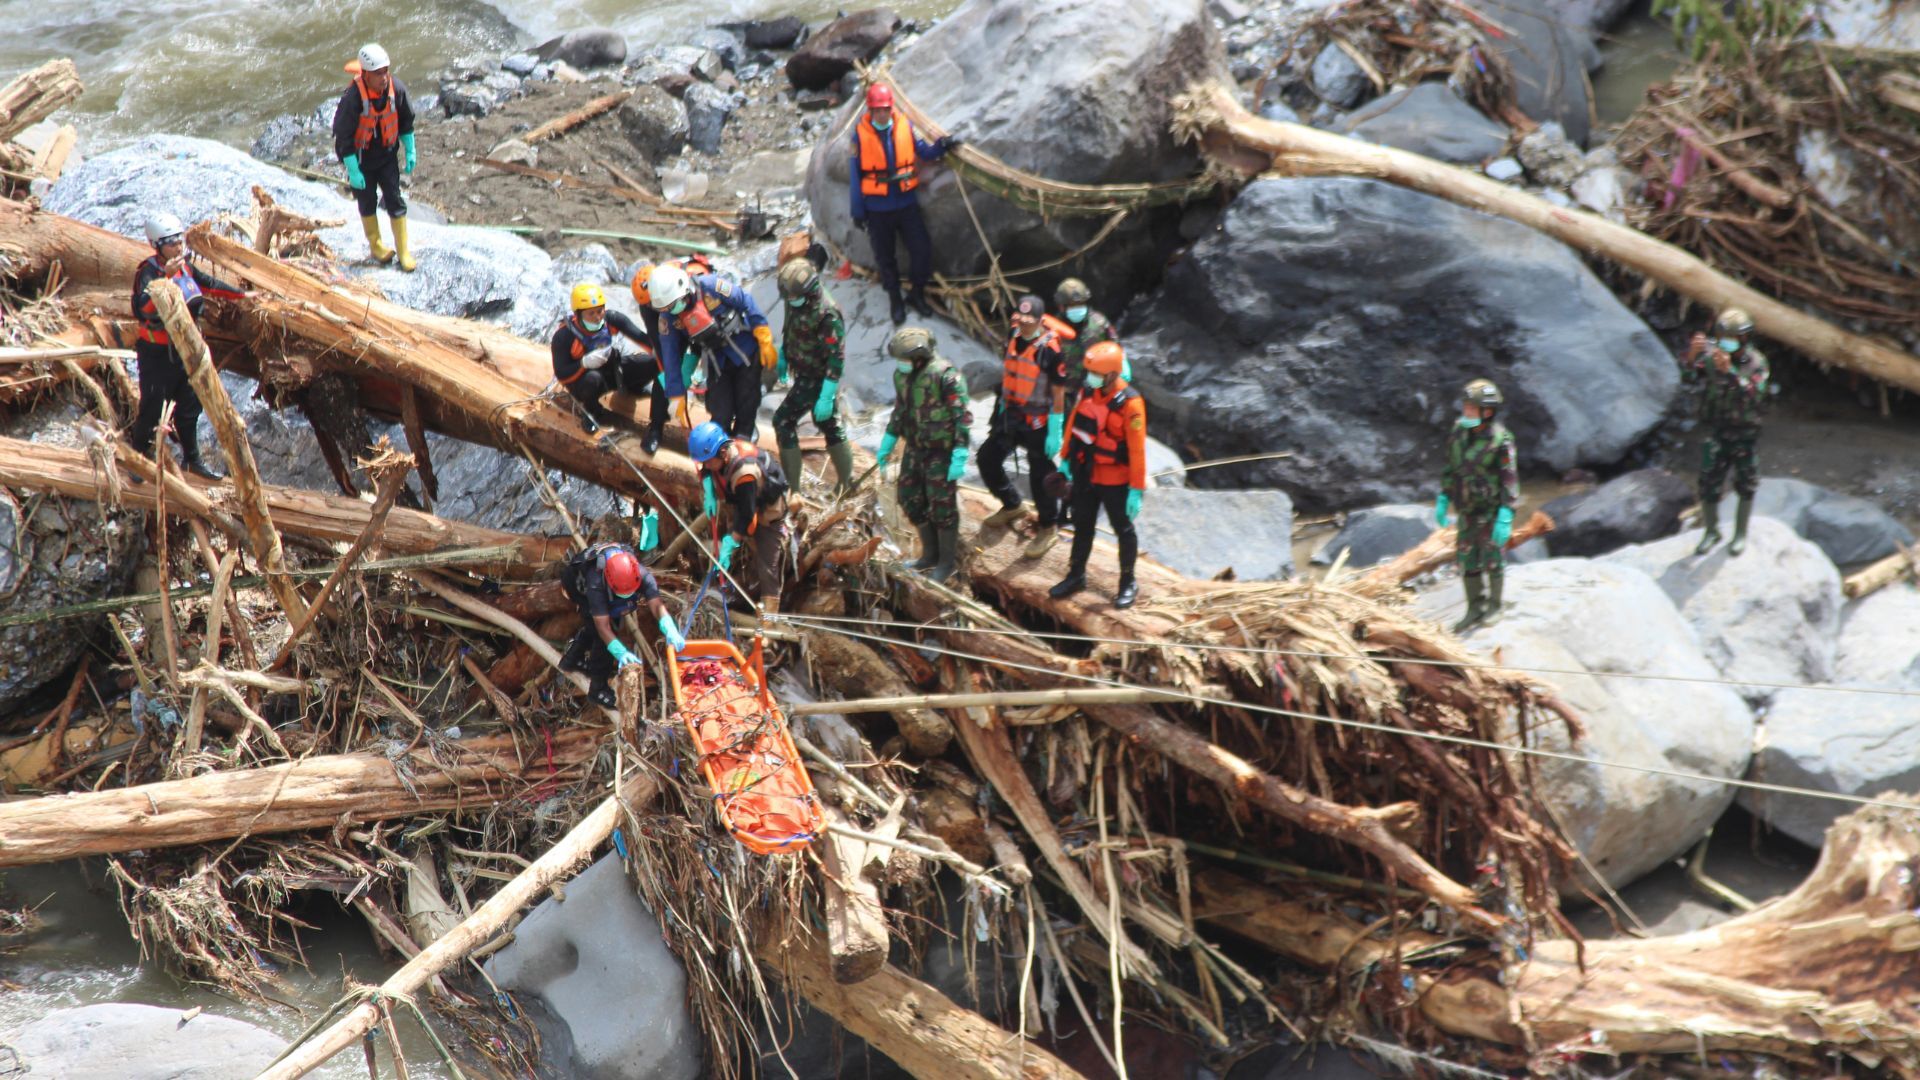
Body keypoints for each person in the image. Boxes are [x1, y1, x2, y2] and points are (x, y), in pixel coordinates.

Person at [127, 212, 248, 480]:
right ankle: (138, 459)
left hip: (185, 350)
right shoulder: (147, 272)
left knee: (190, 405)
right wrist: (165, 279)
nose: (178, 247)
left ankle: (192, 460)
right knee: (152, 406)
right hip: (157, 354)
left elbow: (209, 285)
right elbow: (142, 309)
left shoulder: (185, 266)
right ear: (157, 245)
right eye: (171, 243)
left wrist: (243, 295)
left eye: (179, 241)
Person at [847, 82, 958, 326]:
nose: (882, 114)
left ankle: (916, 294)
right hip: (877, 209)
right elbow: (856, 176)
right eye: (877, 110)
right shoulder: (859, 136)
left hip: (906, 204)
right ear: (870, 110)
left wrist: (942, 147)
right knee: (885, 258)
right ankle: (895, 299)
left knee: (922, 251)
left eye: (885, 109)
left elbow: (923, 152)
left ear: (891, 108)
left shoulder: (904, 127)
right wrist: (858, 210)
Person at [1048, 342, 1146, 609]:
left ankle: (1128, 582)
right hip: (1086, 473)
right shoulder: (1088, 393)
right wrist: (1066, 462)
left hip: (1115, 479)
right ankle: (1075, 574)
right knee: (1082, 525)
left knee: (1123, 530)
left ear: (1113, 374)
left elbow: (1137, 449)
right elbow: (1073, 427)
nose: (1090, 377)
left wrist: (1137, 489)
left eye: (1096, 373)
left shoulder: (1131, 403)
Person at [977, 294, 1071, 558]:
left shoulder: (1050, 350)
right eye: (1021, 319)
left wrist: (1056, 427)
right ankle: (1012, 504)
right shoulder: (1014, 334)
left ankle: (1048, 525)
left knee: (1041, 476)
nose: (1024, 325)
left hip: (1038, 421)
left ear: (1040, 321)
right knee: (987, 459)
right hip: (1010, 414)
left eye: (1030, 321)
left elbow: (1059, 392)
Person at [875, 327, 970, 582]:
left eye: (905, 359)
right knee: (909, 498)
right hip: (915, 447)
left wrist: (960, 452)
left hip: (942, 451)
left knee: (942, 506)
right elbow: (900, 410)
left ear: (920, 357)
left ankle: (947, 562)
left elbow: (962, 417)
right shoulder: (902, 376)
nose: (901, 364)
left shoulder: (945, 376)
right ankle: (929, 554)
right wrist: (889, 439)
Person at [649, 264, 776, 440]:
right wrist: (676, 393)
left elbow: (745, 301)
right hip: (716, 361)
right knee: (720, 414)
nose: (671, 310)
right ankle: (719, 454)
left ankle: (745, 441)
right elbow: (670, 356)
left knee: (746, 405)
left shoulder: (711, 286)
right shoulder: (669, 317)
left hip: (744, 352)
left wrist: (763, 333)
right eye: (666, 308)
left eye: (672, 305)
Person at [1681, 308, 1771, 556]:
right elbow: (1688, 378)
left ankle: (1740, 533)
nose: (1730, 342)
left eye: (1736, 337)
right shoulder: (1712, 357)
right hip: (1717, 430)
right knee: (1709, 481)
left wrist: (1729, 372)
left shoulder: (1756, 362)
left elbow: (1755, 393)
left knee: (1746, 482)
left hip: (1744, 433)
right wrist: (1692, 355)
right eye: (1724, 336)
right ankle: (1712, 530)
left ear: (1746, 338)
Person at [1435, 378, 1518, 632]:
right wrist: (1444, 496)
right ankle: (1474, 607)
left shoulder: (1501, 439)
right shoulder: (1459, 432)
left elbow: (1509, 478)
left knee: (1493, 558)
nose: (1466, 412)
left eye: (1472, 408)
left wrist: (1506, 513)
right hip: (1467, 511)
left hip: (1491, 511)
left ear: (1488, 411)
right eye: (1466, 407)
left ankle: (1495, 605)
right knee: (1467, 559)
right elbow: (1451, 467)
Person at [559, 541, 685, 708]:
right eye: (622, 593)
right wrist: (620, 652)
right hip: (576, 584)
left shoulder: (641, 573)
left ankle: (572, 660)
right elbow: (603, 627)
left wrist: (669, 627)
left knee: (597, 626)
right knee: (602, 637)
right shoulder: (596, 581)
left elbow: (656, 604)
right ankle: (598, 690)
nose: (626, 597)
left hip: (608, 586)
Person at [771, 259, 856, 493]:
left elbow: (836, 357)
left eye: (794, 298)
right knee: (828, 424)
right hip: (802, 368)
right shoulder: (794, 296)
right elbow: (791, 323)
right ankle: (847, 484)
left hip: (817, 377)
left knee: (783, 421)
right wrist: (785, 352)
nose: (790, 302)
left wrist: (827, 394)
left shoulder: (826, 315)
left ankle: (794, 490)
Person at [689, 421, 790, 615]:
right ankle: (718, 586)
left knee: (767, 565)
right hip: (745, 499)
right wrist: (709, 489)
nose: (707, 465)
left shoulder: (745, 473)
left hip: (767, 511)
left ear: (722, 452)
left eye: (709, 461)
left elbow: (747, 515)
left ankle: (770, 619)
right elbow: (707, 469)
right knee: (727, 541)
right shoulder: (719, 454)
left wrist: (731, 543)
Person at [549, 282, 668, 447]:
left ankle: (634, 388)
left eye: (600, 311)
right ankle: (591, 412)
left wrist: (662, 352)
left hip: (612, 370)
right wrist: (584, 363)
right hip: (584, 381)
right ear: (578, 315)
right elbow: (562, 373)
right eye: (591, 314)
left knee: (652, 363)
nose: (598, 317)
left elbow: (642, 338)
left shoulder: (610, 319)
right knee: (593, 379)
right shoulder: (564, 336)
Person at [332, 43, 418, 272]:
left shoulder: (396, 90)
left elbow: (407, 121)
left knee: (394, 199)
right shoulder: (353, 98)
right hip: (361, 161)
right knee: (367, 201)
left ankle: (403, 251)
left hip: (387, 157)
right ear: (366, 74)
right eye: (378, 73)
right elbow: (343, 137)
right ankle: (377, 246)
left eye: (386, 71)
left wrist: (410, 150)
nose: (383, 77)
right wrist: (353, 169)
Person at [1052, 278, 1119, 407]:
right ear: (1061, 306)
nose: (1077, 308)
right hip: (1063, 394)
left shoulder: (1099, 324)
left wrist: (1116, 383)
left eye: (1080, 304)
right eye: (1071, 305)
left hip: (1095, 392)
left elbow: (1116, 352)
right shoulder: (1052, 328)